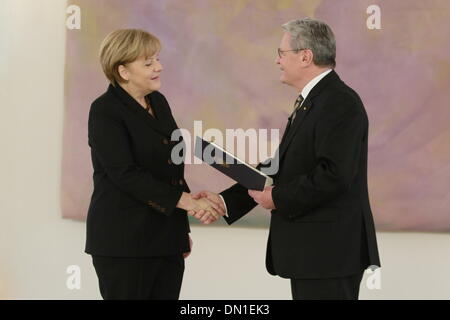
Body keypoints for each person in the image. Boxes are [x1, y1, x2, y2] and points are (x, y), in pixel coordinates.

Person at [193, 18, 381, 300]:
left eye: (282, 53)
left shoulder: (339, 102)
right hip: (315, 253)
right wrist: (224, 202)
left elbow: (334, 174)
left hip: (328, 253)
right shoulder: (314, 100)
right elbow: (280, 166)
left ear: (306, 56)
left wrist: (278, 197)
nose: (277, 60)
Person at [85, 29, 223, 300]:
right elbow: (124, 174)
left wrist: (179, 232)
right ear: (123, 71)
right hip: (124, 242)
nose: (158, 67)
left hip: (165, 239)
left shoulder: (158, 101)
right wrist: (188, 202)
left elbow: (170, 169)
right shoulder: (105, 110)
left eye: (157, 59)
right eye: (148, 63)